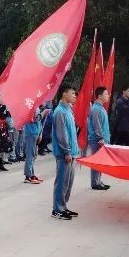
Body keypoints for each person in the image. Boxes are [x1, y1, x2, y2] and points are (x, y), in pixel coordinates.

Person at [51, 84, 80, 220]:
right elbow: (62, 135)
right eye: (73, 93)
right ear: (64, 94)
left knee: (68, 182)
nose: (75, 96)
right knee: (61, 181)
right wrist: (67, 151)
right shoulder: (60, 112)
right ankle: (57, 209)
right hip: (64, 154)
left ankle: (63, 206)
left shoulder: (69, 110)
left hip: (72, 152)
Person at [88, 87, 112, 190]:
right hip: (98, 140)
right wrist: (101, 137)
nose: (108, 96)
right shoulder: (95, 108)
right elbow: (97, 125)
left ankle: (98, 181)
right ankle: (95, 183)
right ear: (99, 96)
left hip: (103, 139)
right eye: (106, 94)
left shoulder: (101, 107)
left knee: (101, 161)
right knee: (96, 161)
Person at [22, 105, 44, 185]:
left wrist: (40, 134)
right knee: (30, 155)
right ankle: (28, 176)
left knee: (34, 154)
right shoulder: (30, 105)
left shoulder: (36, 106)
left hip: (35, 133)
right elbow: (34, 118)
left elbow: (39, 122)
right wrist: (43, 113)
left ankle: (31, 173)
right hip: (30, 133)